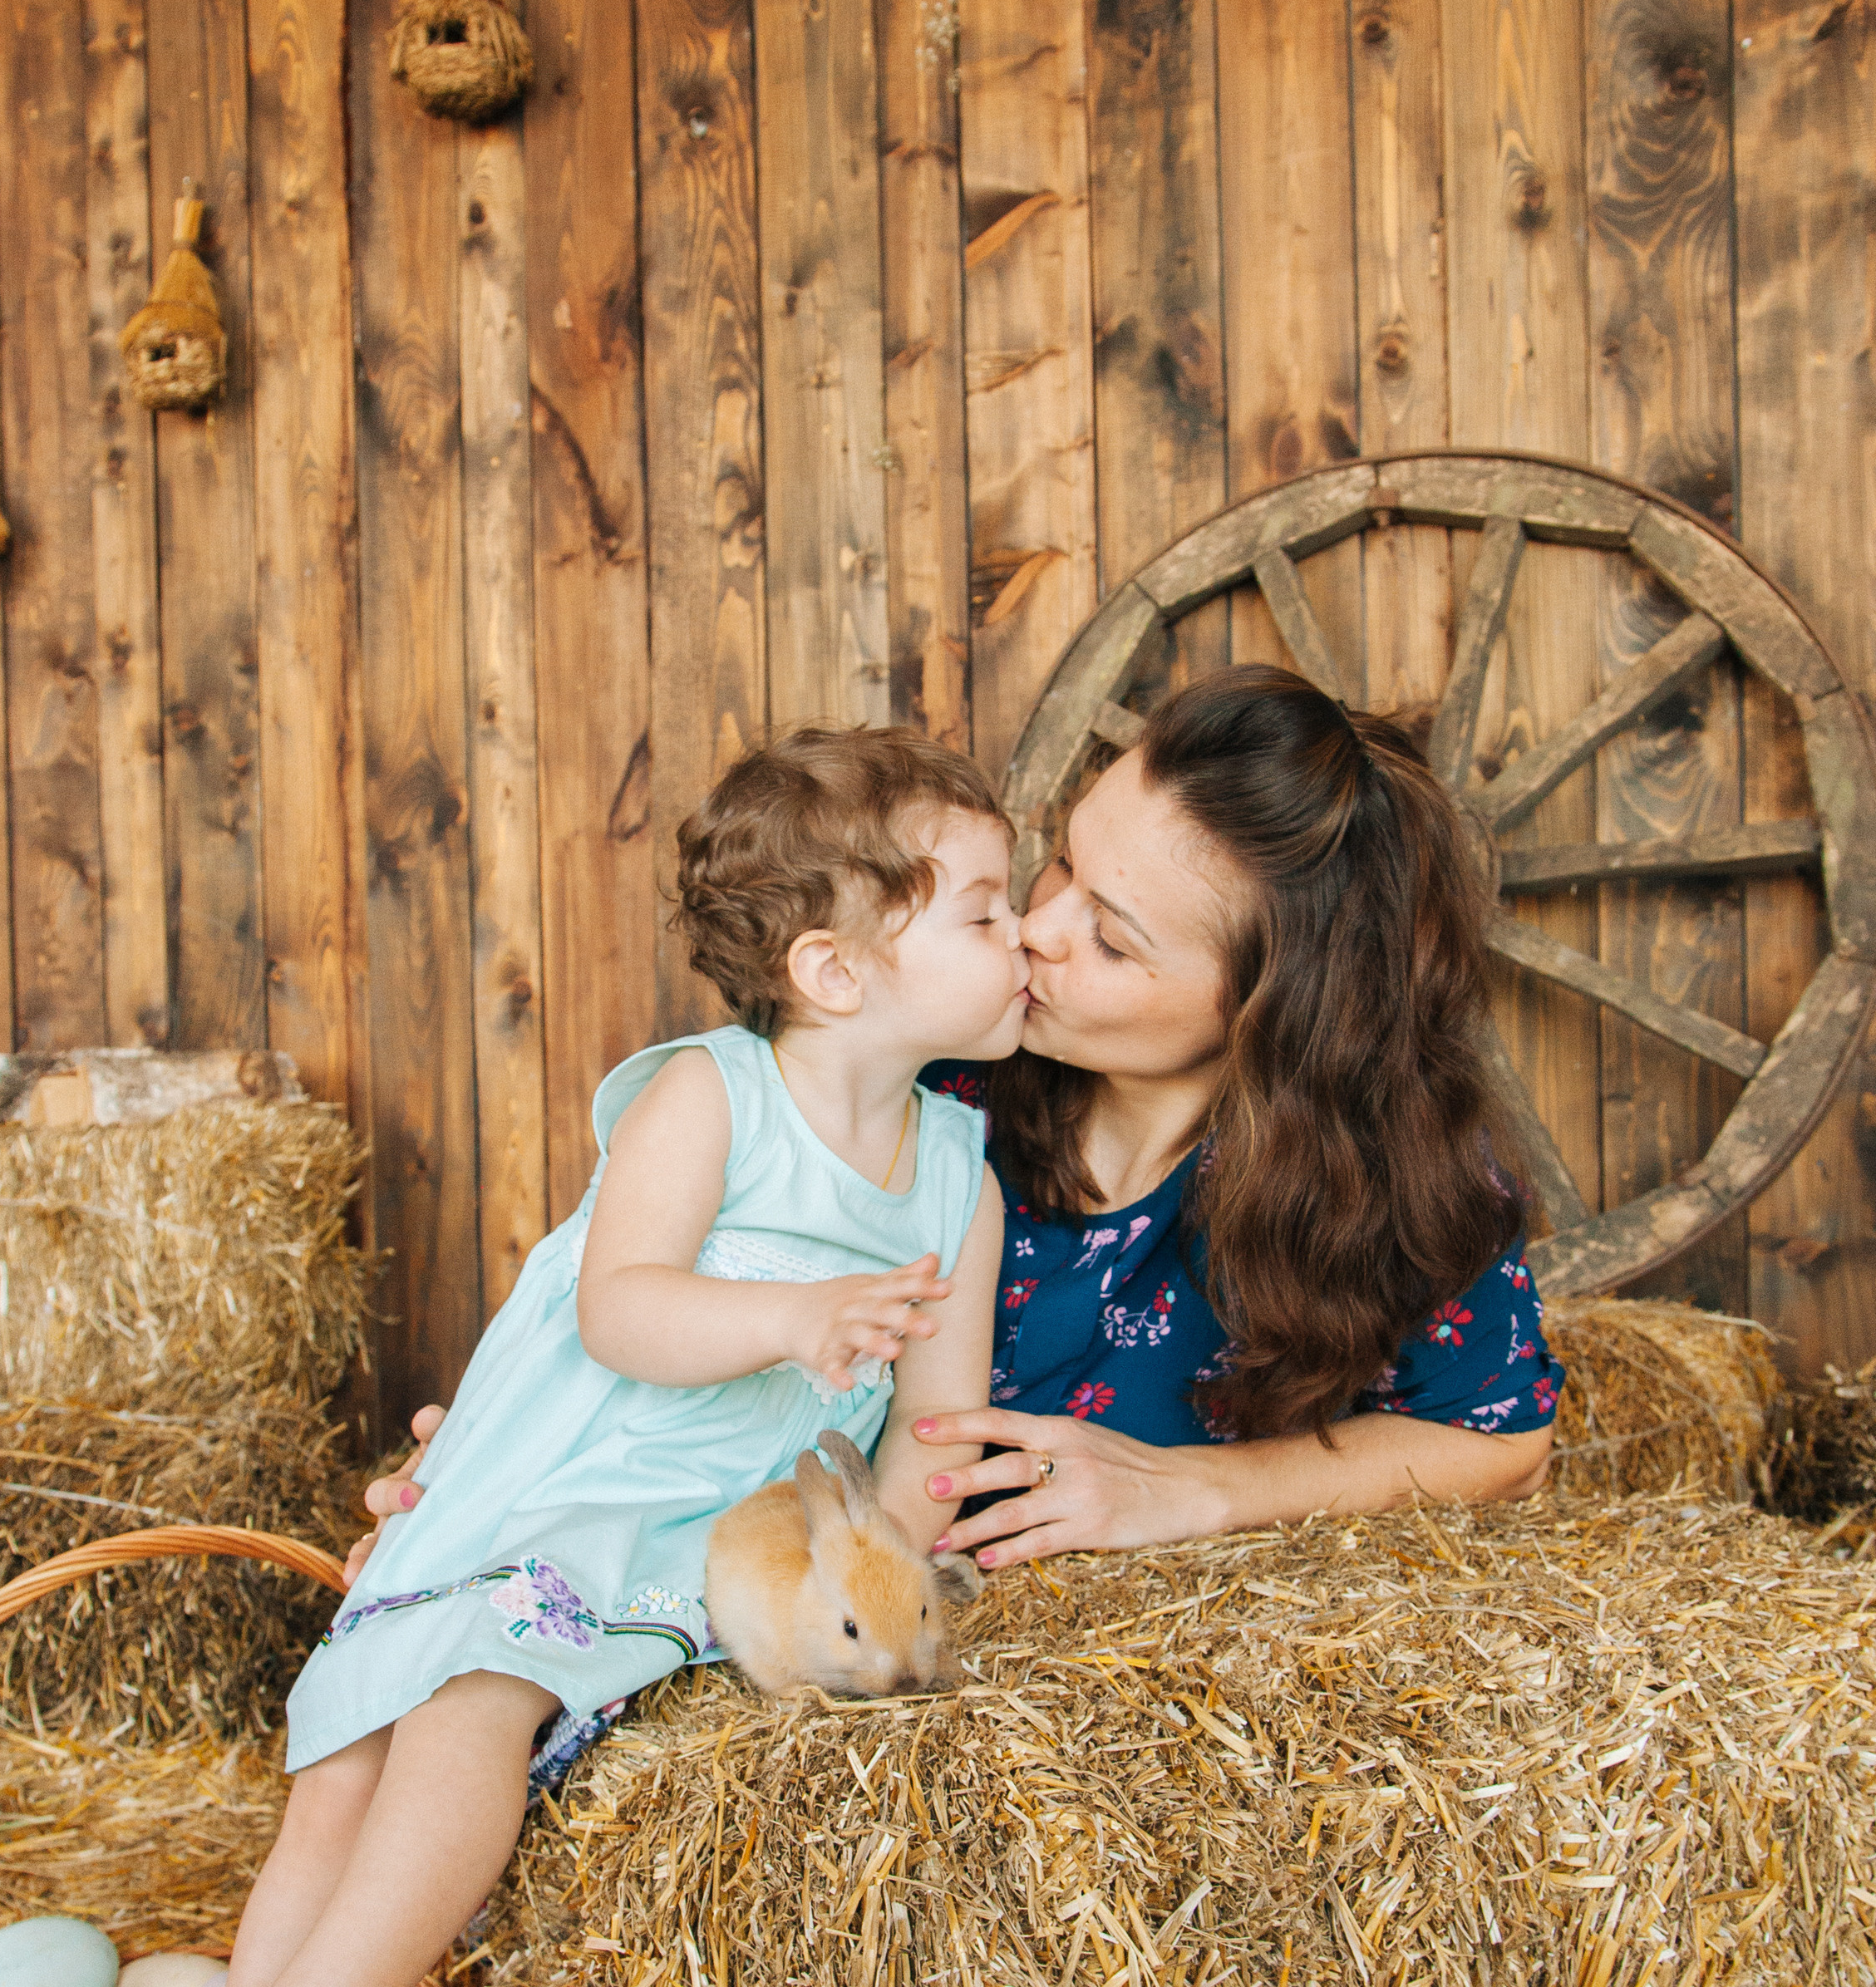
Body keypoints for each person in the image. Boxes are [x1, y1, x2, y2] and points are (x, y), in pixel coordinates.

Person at [70, 727, 1029, 1987]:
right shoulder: (708, 1096)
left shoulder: (957, 1177)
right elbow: (624, 1309)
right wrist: (799, 1318)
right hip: (549, 1480)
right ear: (838, 969)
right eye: (987, 911)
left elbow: (931, 1438)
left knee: (473, 1707)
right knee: (337, 1776)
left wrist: (858, 1590)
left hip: (680, 1534)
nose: (1026, 940)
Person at [360, 667, 1558, 1588]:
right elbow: (648, 1294)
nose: (1037, 932)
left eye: (1114, 938)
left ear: (1273, 1015)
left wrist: (1196, 1491)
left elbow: (1504, 1445)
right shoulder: (929, 1081)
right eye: (1062, 867)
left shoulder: (1400, 1180)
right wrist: (500, 1476)